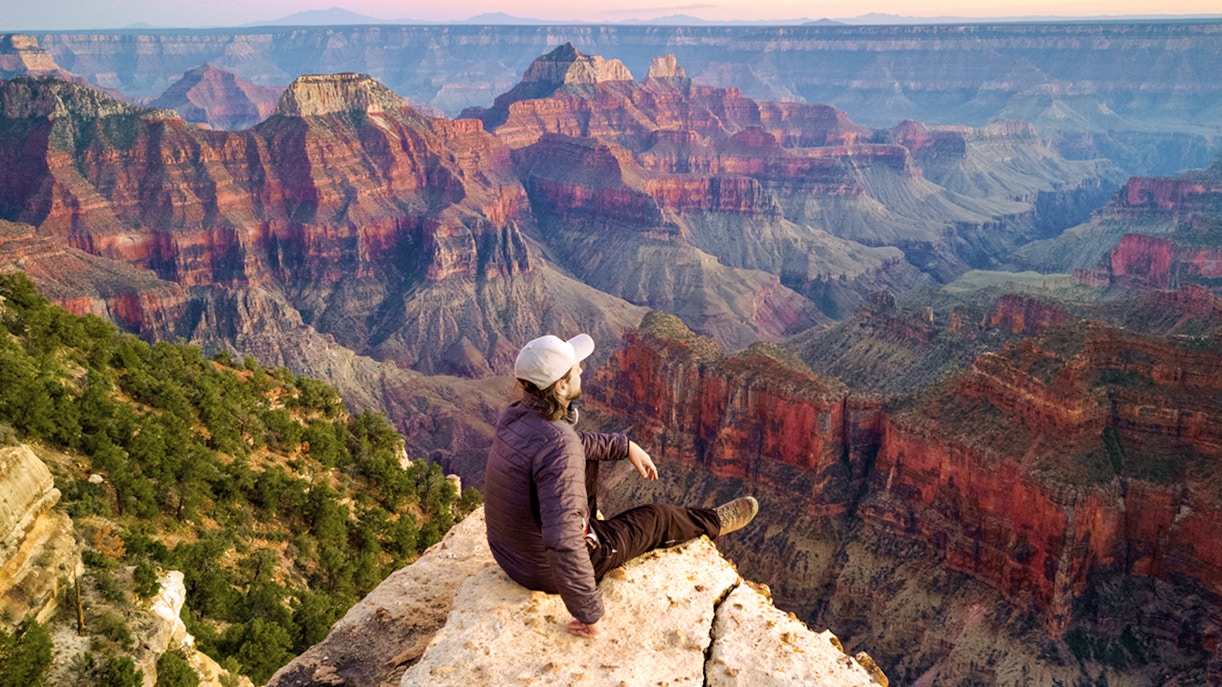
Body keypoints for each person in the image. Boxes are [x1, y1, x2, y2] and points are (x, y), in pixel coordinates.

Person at [484, 332, 759, 639]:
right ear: (561, 386)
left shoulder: (517, 416)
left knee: (585, 460)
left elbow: (570, 446)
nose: (582, 370)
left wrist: (625, 445)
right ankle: (715, 521)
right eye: (576, 368)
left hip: (511, 556)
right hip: (542, 570)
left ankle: (588, 520)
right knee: (657, 517)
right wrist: (589, 613)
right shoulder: (559, 443)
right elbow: (563, 539)